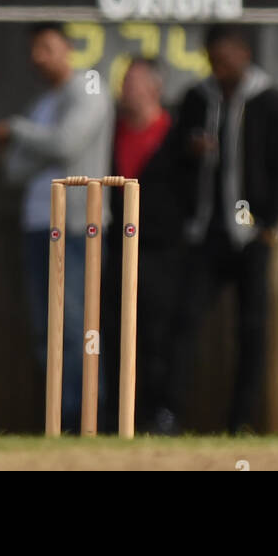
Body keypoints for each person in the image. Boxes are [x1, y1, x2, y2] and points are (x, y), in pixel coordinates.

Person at [162, 25, 278, 434]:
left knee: (252, 331)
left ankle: (241, 422)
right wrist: (191, 150)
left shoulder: (271, 101)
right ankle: (168, 414)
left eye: (225, 59)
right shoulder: (195, 99)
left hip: (251, 235)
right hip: (206, 233)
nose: (218, 69)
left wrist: (269, 224)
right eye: (212, 61)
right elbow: (173, 161)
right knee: (183, 323)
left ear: (242, 52)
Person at [0, 22, 113, 433]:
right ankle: (57, 422)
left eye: (47, 47)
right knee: (46, 329)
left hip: (78, 226)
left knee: (78, 326)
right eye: (34, 50)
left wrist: (17, 131)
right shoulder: (41, 103)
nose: (38, 57)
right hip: (36, 227)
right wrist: (31, 140)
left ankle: (88, 420)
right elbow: (13, 170)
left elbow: (66, 145)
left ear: (68, 48)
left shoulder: (89, 89)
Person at [99, 56, 177, 433]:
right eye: (122, 81)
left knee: (158, 337)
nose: (123, 89)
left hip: (160, 255)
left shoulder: (174, 135)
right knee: (112, 335)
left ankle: (159, 413)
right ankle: (116, 416)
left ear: (154, 88)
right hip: (116, 250)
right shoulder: (109, 134)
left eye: (132, 82)